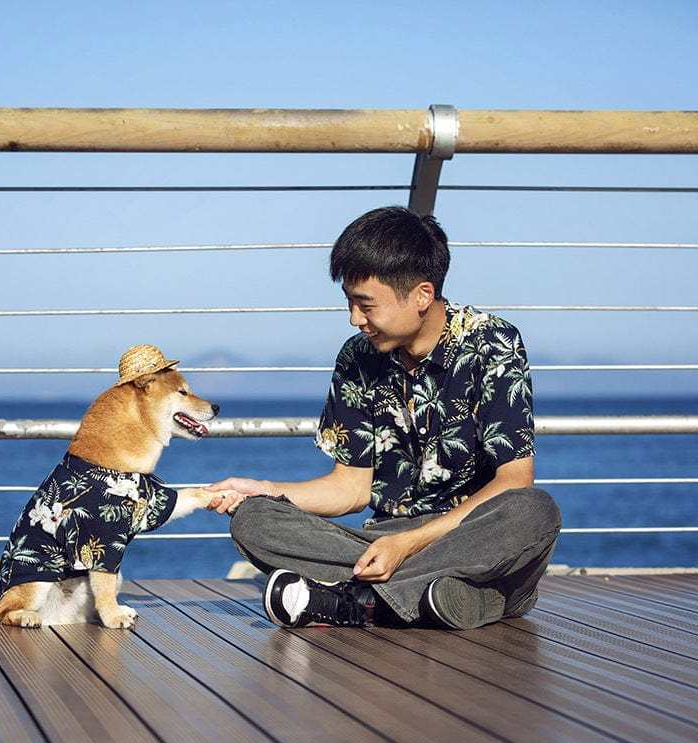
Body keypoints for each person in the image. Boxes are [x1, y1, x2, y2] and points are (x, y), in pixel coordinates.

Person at [209, 206, 562, 630]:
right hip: (381, 540)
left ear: (422, 296)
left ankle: (357, 601)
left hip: (469, 536)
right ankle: (446, 599)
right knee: (254, 519)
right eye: (350, 303)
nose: (355, 319)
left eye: (366, 305)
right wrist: (267, 490)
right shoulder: (357, 357)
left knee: (534, 512)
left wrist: (409, 545)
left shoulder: (493, 343)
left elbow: (514, 480)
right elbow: (351, 487)